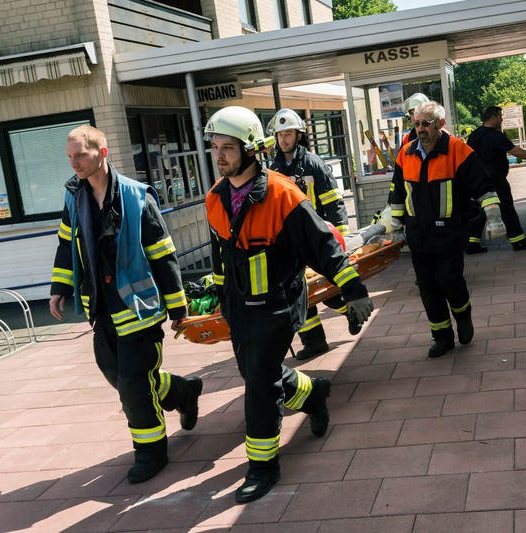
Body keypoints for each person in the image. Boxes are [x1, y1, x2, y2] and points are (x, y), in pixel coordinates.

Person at [203, 106, 374, 503]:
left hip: (278, 305)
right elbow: (219, 256)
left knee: (259, 388)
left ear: (252, 150)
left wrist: (354, 291)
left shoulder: (282, 194)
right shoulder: (215, 198)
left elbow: (324, 247)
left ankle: (263, 467)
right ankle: (312, 393)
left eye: (228, 147)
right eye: (215, 147)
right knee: (256, 374)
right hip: (239, 307)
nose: (220, 155)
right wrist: (215, 294)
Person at [49, 125, 202, 485]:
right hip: (101, 309)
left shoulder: (136, 197)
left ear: (101, 153)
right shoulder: (74, 198)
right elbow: (64, 245)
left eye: (80, 155)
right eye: (69, 157)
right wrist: (60, 287)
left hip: (139, 307)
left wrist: (178, 308)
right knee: (117, 375)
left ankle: (151, 452)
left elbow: (163, 254)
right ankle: (181, 390)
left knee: (134, 382)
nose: (74, 163)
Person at [388, 101, 503, 359]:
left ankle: (463, 315)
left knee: (449, 279)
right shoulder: (405, 154)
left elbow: (483, 186)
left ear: (440, 124)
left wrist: (494, 216)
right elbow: (397, 192)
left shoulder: (457, 150)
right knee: (428, 287)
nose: (420, 128)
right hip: (419, 235)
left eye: (426, 123)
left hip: (450, 232)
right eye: (417, 124)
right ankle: (442, 337)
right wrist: (396, 227)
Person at [267, 108, 355, 360]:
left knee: (326, 288)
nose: (284, 139)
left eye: (289, 134)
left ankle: (350, 310)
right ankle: (314, 341)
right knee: (298, 292)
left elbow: (334, 203)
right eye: (280, 134)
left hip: (317, 237)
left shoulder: (314, 164)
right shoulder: (274, 170)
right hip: (291, 243)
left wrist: (341, 238)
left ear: (299, 135)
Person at [465, 105, 526, 253]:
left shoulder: (474, 135)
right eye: (500, 116)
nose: (502, 119)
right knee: (507, 209)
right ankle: (519, 241)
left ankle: (472, 244)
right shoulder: (495, 135)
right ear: (493, 118)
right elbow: (515, 151)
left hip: (478, 182)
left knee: (482, 211)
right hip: (496, 181)